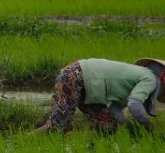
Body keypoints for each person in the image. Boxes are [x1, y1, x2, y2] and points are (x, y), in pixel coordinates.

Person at [34, 58, 164, 135]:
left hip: (88, 87)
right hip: (76, 75)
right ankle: (18, 143)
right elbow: (134, 104)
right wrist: (149, 129)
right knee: (57, 127)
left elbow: (115, 110)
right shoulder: (150, 79)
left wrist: (131, 129)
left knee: (108, 126)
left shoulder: (136, 80)